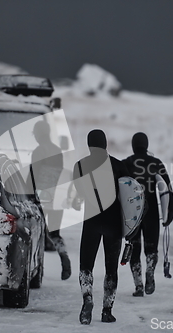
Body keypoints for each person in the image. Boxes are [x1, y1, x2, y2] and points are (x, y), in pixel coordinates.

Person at [73, 129, 129, 324]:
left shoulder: (80, 166)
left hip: (91, 222)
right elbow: (131, 198)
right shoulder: (119, 166)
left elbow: (77, 196)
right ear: (105, 143)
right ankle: (107, 311)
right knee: (111, 269)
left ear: (89, 144)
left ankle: (87, 300)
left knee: (85, 266)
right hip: (114, 224)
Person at [122, 132, 173, 296]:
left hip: (133, 213)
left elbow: (119, 189)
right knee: (151, 248)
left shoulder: (127, 163)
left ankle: (138, 286)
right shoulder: (156, 163)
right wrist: (170, 211)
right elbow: (167, 188)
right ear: (146, 145)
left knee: (134, 248)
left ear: (133, 145)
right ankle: (150, 271)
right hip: (151, 211)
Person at [31, 120, 71, 280]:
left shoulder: (39, 150)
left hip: (42, 196)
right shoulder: (57, 150)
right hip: (57, 196)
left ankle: (38, 270)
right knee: (55, 233)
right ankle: (64, 258)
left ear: (39, 134)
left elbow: (33, 175)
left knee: (38, 234)